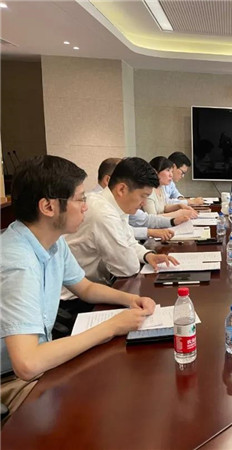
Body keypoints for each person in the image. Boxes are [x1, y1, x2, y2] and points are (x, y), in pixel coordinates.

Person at [0, 155, 156, 415]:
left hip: (35, 363)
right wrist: (112, 326)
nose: (86, 207)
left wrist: (130, 300)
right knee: (108, 401)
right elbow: (27, 363)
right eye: (80, 199)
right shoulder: (19, 263)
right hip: (11, 379)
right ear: (48, 207)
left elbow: (85, 287)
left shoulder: (52, 240)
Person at [65, 157, 179, 290]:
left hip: (95, 286)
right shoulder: (103, 213)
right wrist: (137, 255)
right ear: (122, 189)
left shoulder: (116, 205)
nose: (143, 203)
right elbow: (128, 267)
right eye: (143, 196)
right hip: (77, 295)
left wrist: (148, 255)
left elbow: (129, 242)